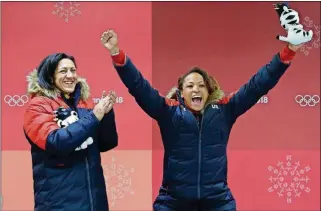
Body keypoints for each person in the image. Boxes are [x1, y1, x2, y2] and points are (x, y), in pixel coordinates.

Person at [100, 7, 312, 211]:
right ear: (181, 92)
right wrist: (117, 54)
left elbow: (258, 85)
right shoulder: (168, 112)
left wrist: (289, 51)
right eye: (190, 86)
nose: (196, 89)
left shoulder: (225, 110)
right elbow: (139, 86)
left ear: (208, 91)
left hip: (217, 200)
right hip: (173, 201)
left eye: (201, 85)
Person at [23, 52, 118, 211]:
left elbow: (107, 143)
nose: (70, 75)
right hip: (59, 204)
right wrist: (94, 117)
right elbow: (56, 142)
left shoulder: (84, 105)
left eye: (73, 70)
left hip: (95, 203)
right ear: (50, 76)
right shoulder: (37, 106)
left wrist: (106, 114)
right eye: (63, 71)